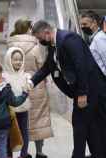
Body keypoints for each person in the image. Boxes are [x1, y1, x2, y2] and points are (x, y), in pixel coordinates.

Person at [28, 20, 104, 158]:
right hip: (81, 90)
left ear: (46, 32)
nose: (39, 41)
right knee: (91, 125)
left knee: (79, 124)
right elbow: (48, 67)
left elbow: (81, 66)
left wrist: (82, 93)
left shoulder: (69, 39)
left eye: (39, 38)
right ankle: (99, 154)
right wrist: (31, 82)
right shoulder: (53, 44)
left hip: (90, 89)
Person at [7, 19, 52, 158]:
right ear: (28, 29)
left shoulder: (10, 45)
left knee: (18, 122)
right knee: (39, 120)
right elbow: (42, 67)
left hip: (17, 87)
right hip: (36, 87)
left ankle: (15, 152)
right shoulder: (35, 46)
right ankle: (39, 151)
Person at [3, 47, 32, 158]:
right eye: (15, 59)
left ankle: (23, 155)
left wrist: (29, 83)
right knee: (9, 134)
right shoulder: (4, 76)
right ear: (9, 60)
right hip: (9, 111)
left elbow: (30, 80)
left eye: (20, 59)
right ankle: (8, 154)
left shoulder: (25, 75)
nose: (18, 62)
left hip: (23, 109)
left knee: (24, 132)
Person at [89, 16, 106, 158]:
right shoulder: (99, 38)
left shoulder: (100, 38)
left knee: (101, 121)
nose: (83, 27)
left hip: (102, 86)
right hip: (99, 86)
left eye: (85, 24)